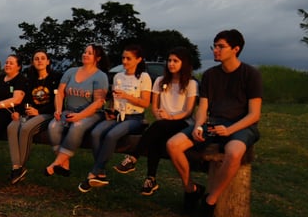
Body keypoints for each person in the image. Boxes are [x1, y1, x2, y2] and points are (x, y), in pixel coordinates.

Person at [167, 30, 262, 217]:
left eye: (221, 46)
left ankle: (210, 202)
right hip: (214, 123)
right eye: (214, 46)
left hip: (241, 125)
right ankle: (191, 189)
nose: (215, 50)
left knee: (234, 152)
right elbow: (203, 108)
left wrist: (230, 130)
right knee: (173, 145)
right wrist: (199, 126)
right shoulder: (210, 75)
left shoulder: (250, 74)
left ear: (235, 49)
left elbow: (254, 114)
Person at [113, 47, 198, 196]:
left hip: (183, 123)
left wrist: (170, 118)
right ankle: (150, 179)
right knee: (157, 139)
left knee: (158, 128)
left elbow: (188, 111)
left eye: (175, 61)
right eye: (169, 60)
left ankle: (133, 157)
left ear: (184, 63)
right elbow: (155, 106)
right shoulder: (159, 80)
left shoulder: (191, 84)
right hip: (163, 123)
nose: (171, 64)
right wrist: (159, 115)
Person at [78, 44, 153, 192]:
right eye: (123, 58)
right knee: (95, 132)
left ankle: (94, 172)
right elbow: (114, 100)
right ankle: (100, 172)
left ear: (138, 60)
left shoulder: (143, 77)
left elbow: (145, 103)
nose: (124, 61)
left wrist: (127, 96)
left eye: (128, 58)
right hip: (117, 116)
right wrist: (111, 109)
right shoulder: (118, 76)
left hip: (135, 118)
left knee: (111, 135)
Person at [43, 45, 109, 177]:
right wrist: (58, 110)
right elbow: (60, 92)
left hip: (92, 113)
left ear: (98, 58)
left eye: (90, 53)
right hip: (69, 110)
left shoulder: (100, 76)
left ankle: (55, 164)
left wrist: (80, 115)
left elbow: (98, 102)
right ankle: (65, 164)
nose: (85, 54)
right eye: (85, 52)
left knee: (77, 126)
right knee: (53, 125)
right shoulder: (71, 72)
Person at [5, 50, 57, 183]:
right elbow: (25, 100)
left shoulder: (54, 78)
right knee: (13, 126)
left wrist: (38, 112)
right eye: (36, 59)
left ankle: (20, 167)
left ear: (48, 61)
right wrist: (20, 110)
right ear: (33, 62)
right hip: (29, 114)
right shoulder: (30, 80)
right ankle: (16, 167)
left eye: (42, 58)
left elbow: (56, 102)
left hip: (46, 114)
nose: (39, 61)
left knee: (26, 128)